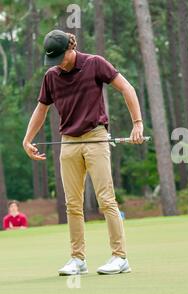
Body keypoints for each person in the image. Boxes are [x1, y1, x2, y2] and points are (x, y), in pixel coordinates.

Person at [22, 30, 145, 276]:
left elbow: (127, 88)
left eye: (60, 57)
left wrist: (138, 123)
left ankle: (120, 257)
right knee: (72, 205)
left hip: (95, 137)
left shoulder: (94, 63)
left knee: (105, 199)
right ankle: (77, 259)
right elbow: (41, 109)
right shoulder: (51, 76)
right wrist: (27, 139)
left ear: (71, 48)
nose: (57, 64)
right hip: (68, 142)